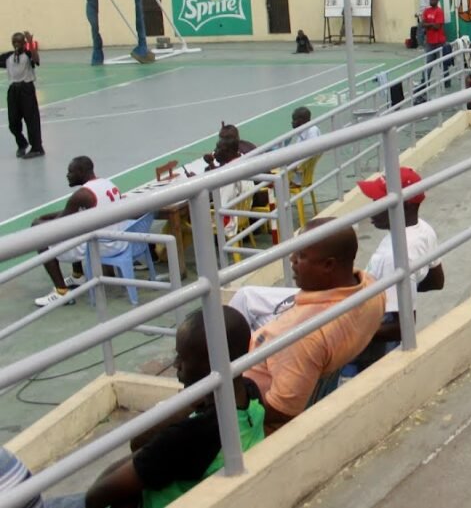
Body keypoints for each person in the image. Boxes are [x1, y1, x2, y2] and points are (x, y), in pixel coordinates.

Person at [69, 307, 264, 508]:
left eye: (182, 357)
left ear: (209, 365)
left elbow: (97, 495)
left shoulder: (191, 436)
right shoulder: (251, 393)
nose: (175, 364)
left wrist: (153, 450)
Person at [230, 217, 385, 433]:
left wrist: (234, 402)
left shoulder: (300, 337)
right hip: (309, 326)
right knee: (245, 297)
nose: (292, 259)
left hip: (255, 398)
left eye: (301, 256)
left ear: (328, 265)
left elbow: (282, 411)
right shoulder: (371, 287)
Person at [349, 167, 444, 371]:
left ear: (406, 206)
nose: (372, 208)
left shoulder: (395, 255)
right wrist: (401, 288)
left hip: (375, 344)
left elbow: (403, 326)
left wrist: (352, 332)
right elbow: (437, 280)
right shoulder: (424, 229)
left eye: (380, 202)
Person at [31, 156, 125, 308]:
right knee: (77, 227)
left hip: (100, 246)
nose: (67, 175)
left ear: (81, 172)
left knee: (41, 237)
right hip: (117, 240)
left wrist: (37, 223)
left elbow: (60, 223)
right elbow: (72, 212)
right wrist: (47, 216)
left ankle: (61, 292)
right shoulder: (106, 183)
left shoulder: (82, 195)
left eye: (70, 172)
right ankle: (78, 276)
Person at [3, 31, 43, 159]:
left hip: (26, 89)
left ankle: (37, 148)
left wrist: (31, 43)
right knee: (13, 122)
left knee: (31, 120)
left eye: (19, 42)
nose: (16, 44)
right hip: (13, 90)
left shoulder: (28, 54)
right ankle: (22, 143)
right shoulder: (8, 57)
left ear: (24, 43)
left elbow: (36, 61)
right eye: (14, 42)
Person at [420, 0, 451, 90]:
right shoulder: (426, 11)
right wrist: (431, 24)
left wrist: (428, 24)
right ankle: (424, 83)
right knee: (428, 63)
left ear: (437, 1)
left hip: (440, 42)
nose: (431, 1)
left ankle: (446, 81)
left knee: (443, 63)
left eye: (433, 0)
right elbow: (422, 24)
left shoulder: (439, 11)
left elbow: (438, 26)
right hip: (430, 42)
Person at [284, 106, 321, 187]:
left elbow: (311, 154)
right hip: (299, 169)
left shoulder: (312, 131)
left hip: (299, 177)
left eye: (294, 120)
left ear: (301, 121)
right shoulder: (303, 132)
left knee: (274, 178)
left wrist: (292, 164)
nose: (292, 122)